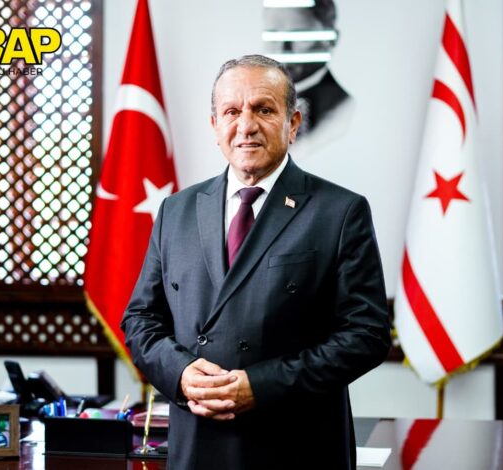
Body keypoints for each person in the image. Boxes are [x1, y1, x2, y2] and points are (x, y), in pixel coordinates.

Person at [122, 54, 390, 470]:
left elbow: (366, 335)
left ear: (293, 123)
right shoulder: (176, 210)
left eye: (263, 109)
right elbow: (140, 319)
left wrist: (261, 386)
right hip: (197, 444)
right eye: (232, 112)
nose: (245, 125)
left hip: (296, 447)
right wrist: (182, 374)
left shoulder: (340, 211)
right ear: (215, 126)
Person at [263, 0, 354, 155]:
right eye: (274, 34)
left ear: (331, 40)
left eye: (299, 35)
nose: (283, 48)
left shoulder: (342, 108)